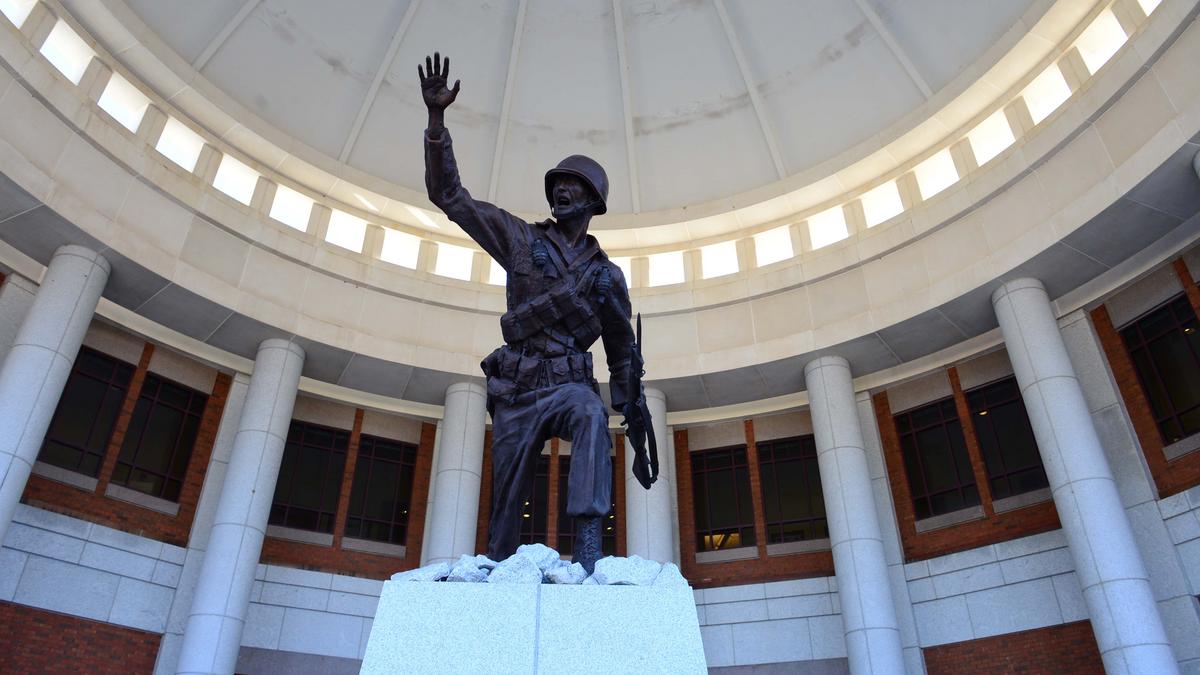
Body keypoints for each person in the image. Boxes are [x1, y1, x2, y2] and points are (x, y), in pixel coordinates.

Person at [418, 53, 645, 574]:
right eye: (557, 185)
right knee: (504, 513)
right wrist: (437, 123)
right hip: (519, 389)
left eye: (574, 186)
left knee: (591, 414)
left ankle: (588, 550)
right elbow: (450, 196)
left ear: (593, 202)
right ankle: (499, 572)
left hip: (568, 385)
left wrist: (631, 404)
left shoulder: (606, 276)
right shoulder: (521, 239)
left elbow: (621, 350)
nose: (561, 190)